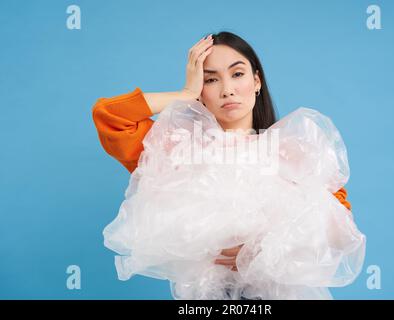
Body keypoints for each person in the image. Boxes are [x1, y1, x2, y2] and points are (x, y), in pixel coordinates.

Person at [92, 31, 356, 299]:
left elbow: (341, 231)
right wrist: (185, 94)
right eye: (211, 79)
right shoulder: (176, 150)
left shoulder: (291, 148)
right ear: (200, 91)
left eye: (237, 74)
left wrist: (265, 250)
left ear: (256, 81)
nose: (227, 89)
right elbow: (110, 116)